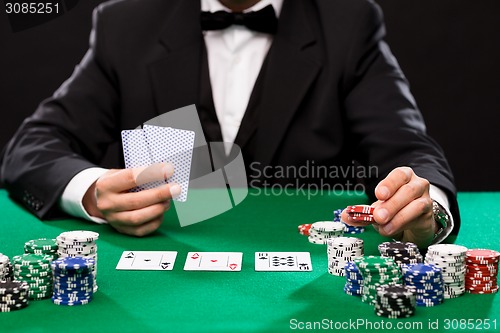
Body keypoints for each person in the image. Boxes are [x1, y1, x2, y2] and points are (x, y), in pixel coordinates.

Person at [0, 0, 460, 247]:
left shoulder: (350, 20)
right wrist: (92, 192)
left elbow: (406, 147)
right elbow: (31, 148)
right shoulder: (126, 23)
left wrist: (428, 207)